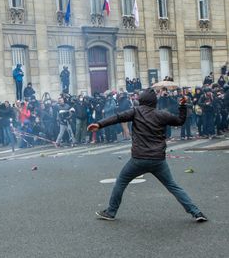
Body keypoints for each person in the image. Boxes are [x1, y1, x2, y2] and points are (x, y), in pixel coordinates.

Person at [87, 89, 207, 222]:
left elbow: (117, 117)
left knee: (121, 182)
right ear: (154, 102)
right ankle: (196, 212)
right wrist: (182, 106)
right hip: (158, 160)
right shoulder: (162, 114)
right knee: (173, 186)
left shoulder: (135, 111)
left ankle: (111, 212)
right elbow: (179, 121)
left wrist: (99, 124)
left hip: (138, 158)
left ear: (140, 101)